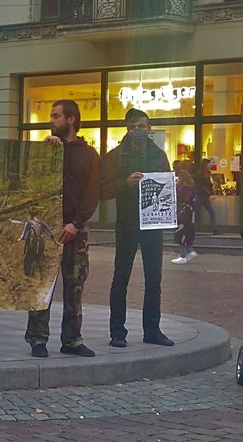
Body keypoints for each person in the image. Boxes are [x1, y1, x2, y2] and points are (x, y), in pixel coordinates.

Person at [25, 100, 101, 358]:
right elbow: (32, 184)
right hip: (46, 231)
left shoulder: (89, 155)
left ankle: (72, 339)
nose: (51, 120)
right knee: (41, 285)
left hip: (75, 232)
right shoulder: (48, 150)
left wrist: (76, 224)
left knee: (75, 286)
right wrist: (45, 153)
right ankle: (37, 339)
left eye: (56, 116)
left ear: (71, 119)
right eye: (51, 115)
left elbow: (92, 194)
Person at [102, 108, 174, 348]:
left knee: (154, 278)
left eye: (141, 126)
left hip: (153, 225)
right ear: (127, 129)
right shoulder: (116, 156)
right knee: (121, 277)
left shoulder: (159, 155)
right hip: (127, 224)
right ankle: (117, 332)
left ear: (150, 128)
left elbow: (167, 188)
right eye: (133, 127)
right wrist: (126, 183)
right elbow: (103, 190)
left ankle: (152, 330)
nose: (137, 131)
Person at [172, 170, 197, 265]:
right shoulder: (191, 187)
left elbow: (179, 198)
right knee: (187, 232)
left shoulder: (182, 188)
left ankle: (183, 256)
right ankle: (190, 251)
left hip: (182, 213)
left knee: (180, 233)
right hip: (189, 213)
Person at [193, 158, 219, 235]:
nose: (210, 165)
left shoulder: (207, 174)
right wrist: (210, 194)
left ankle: (215, 229)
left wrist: (211, 193)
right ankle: (194, 229)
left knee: (211, 212)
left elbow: (208, 186)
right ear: (205, 165)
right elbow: (201, 186)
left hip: (204, 196)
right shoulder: (200, 174)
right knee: (197, 213)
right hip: (200, 196)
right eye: (209, 164)